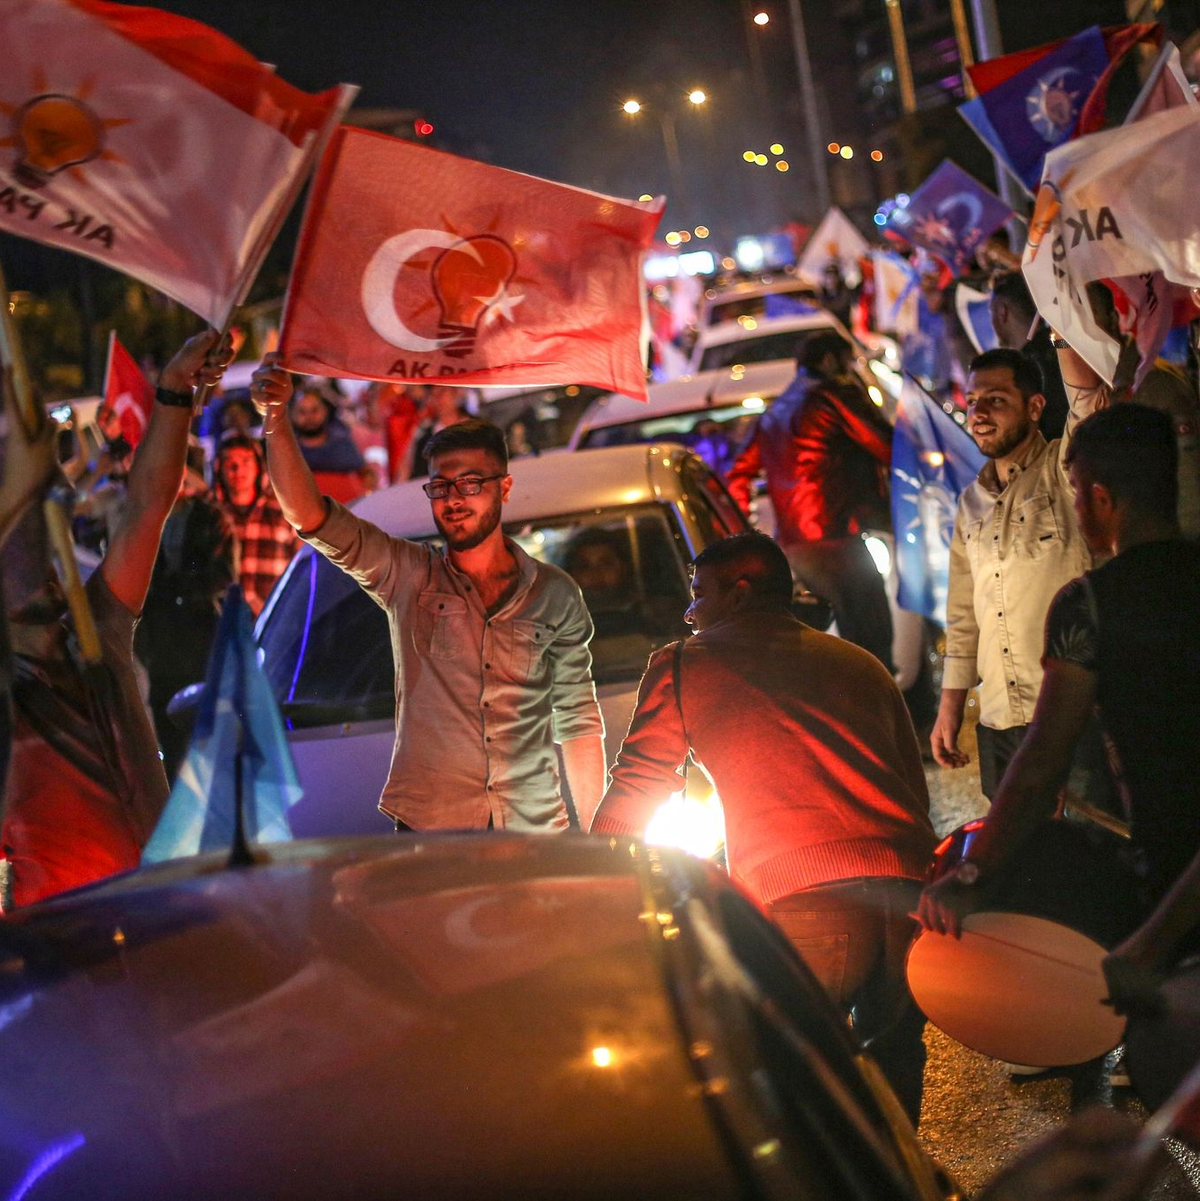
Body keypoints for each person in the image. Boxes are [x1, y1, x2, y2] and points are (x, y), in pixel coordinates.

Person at [591, 531, 935, 1123]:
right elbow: (912, 786)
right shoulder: (859, 662)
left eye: (699, 593)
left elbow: (639, 783)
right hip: (910, 896)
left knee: (795, 1073)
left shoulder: (681, 664)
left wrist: (591, 879)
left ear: (741, 594)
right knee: (896, 1058)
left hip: (807, 905)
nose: (689, 610)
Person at [252, 356, 606, 831]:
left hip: (534, 835)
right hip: (434, 839)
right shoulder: (408, 576)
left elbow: (578, 722)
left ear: (504, 487)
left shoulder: (555, 595)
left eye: (470, 483)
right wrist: (275, 418)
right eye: (440, 487)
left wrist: (599, 842)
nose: (454, 499)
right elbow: (311, 518)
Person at [918, 406, 1200, 947]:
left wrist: (972, 873)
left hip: (1171, 858)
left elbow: (1042, 758)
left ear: (1100, 498)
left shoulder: (1089, 605)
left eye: (1075, 493)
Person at [0, 330, 233, 909]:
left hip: (161, 913)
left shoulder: (95, 624)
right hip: (65, 944)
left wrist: (173, 394)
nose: (47, 582)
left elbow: (149, 507)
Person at [930, 347, 1100, 800]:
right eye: (971, 402)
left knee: (1085, 850)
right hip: (1001, 719)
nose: (979, 414)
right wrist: (950, 707)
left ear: (1035, 407)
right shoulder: (970, 502)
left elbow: (1087, 407)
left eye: (996, 400)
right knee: (1017, 857)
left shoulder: (1065, 473)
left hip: (1071, 713)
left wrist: (1064, 333)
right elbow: (964, 615)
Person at [726, 331, 894, 668]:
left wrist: (744, 530)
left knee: (827, 648)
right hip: (836, 535)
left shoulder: (777, 410)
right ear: (830, 361)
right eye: (848, 363)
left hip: (795, 546)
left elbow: (737, 474)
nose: (851, 371)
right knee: (871, 644)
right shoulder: (834, 396)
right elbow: (886, 444)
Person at [134, 445, 235, 778]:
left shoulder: (210, 517)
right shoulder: (144, 518)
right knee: (170, 730)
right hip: (162, 643)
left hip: (201, 638)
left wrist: (179, 592)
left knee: (206, 726)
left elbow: (223, 574)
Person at [212, 433, 300, 618]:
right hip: (220, 623)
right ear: (219, 468)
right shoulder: (210, 515)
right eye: (230, 462)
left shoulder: (284, 512)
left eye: (246, 461)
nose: (238, 469)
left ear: (259, 467)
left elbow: (301, 568)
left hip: (272, 621)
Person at [988, 270, 1069, 440]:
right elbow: (1067, 349)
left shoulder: (1018, 374)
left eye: (991, 313)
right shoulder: (1059, 340)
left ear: (1002, 312)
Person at [289, 384, 369, 504]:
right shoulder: (287, 453)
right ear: (292, 415)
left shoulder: (344, 445)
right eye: (302, 411)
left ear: (325, 411)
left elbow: (364, 475)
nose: (309, 417)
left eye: (314, 410)